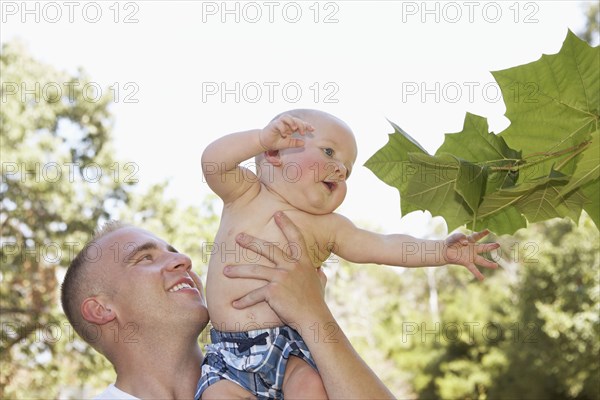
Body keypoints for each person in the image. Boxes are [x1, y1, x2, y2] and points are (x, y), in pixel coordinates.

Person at [199, 109, 500, 399]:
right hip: (229, 352)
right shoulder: (246, 194)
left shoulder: (330, 227)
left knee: (311, 387)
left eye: (348, 169)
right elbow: (213, 161)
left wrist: (442, 251)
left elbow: (385, 247)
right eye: (329, 153)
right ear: (275, 154)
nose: (341, 170)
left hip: (290, 350)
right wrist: (260, 138)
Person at [60, 212, 395, 399]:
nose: (184, 260)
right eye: (144, 258)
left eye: (173, 250)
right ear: (101, 310)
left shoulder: (283, 374)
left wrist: (312, 314)